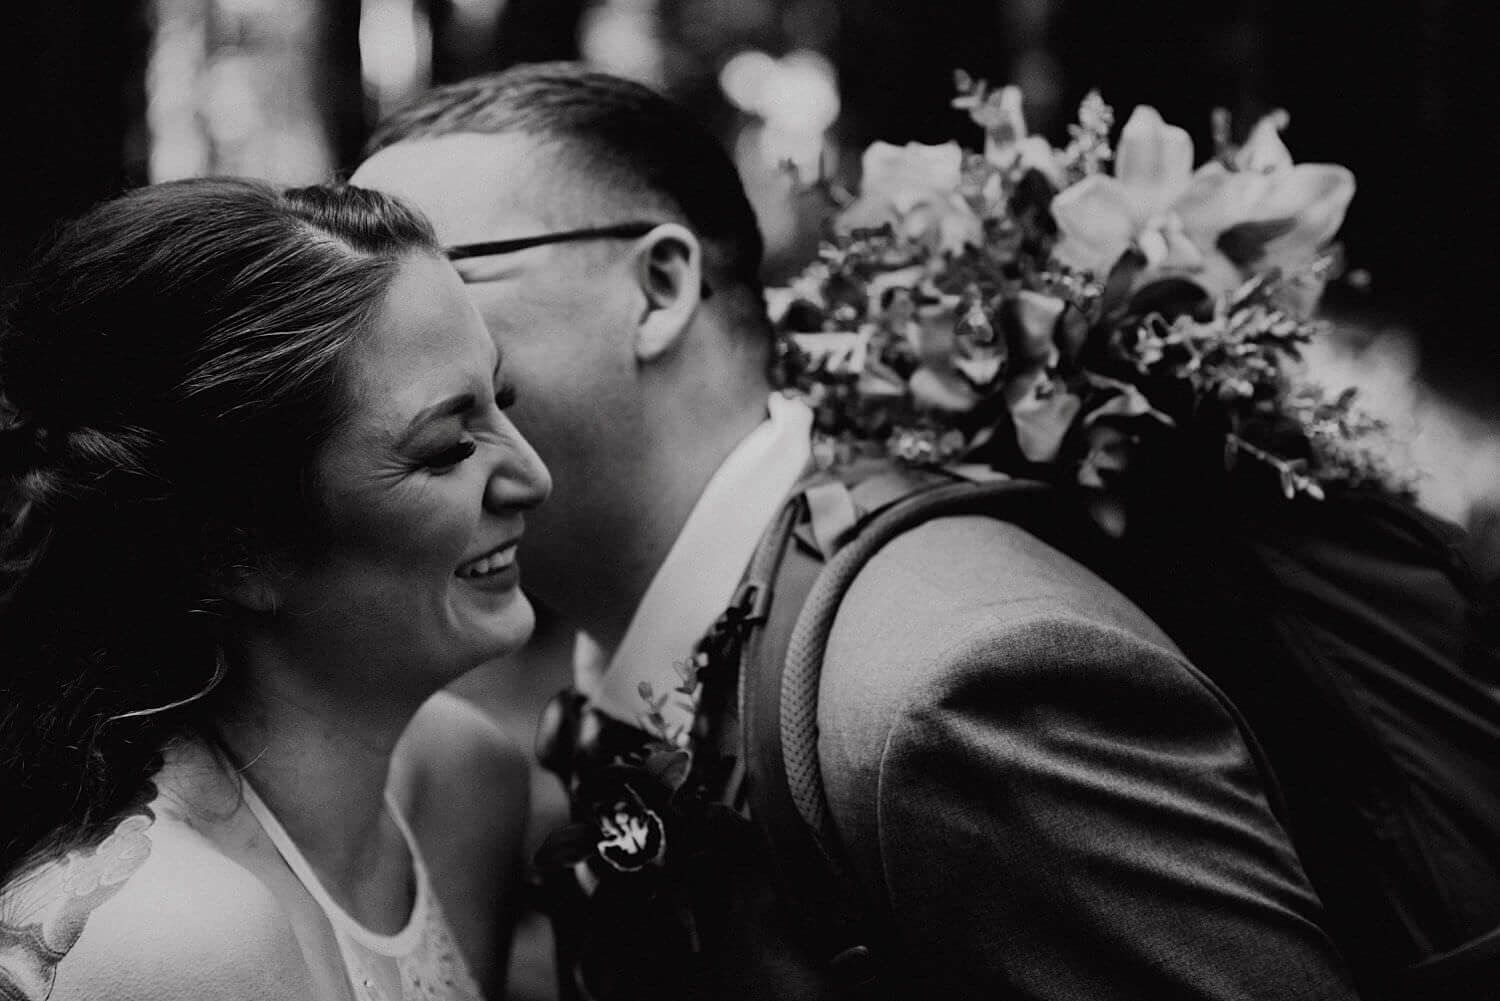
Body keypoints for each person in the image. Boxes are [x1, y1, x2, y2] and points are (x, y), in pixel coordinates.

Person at [353, 63, 1359, 999]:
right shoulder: (625, 637)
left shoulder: (951, 684)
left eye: (439, 282)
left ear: (658, 288)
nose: (368, 362)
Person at [0, 178, 551, 1000]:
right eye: (444, 447)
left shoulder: (465, 785)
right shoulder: (177, 942)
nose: (531, 476)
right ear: (232, 548)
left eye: (499, 402)